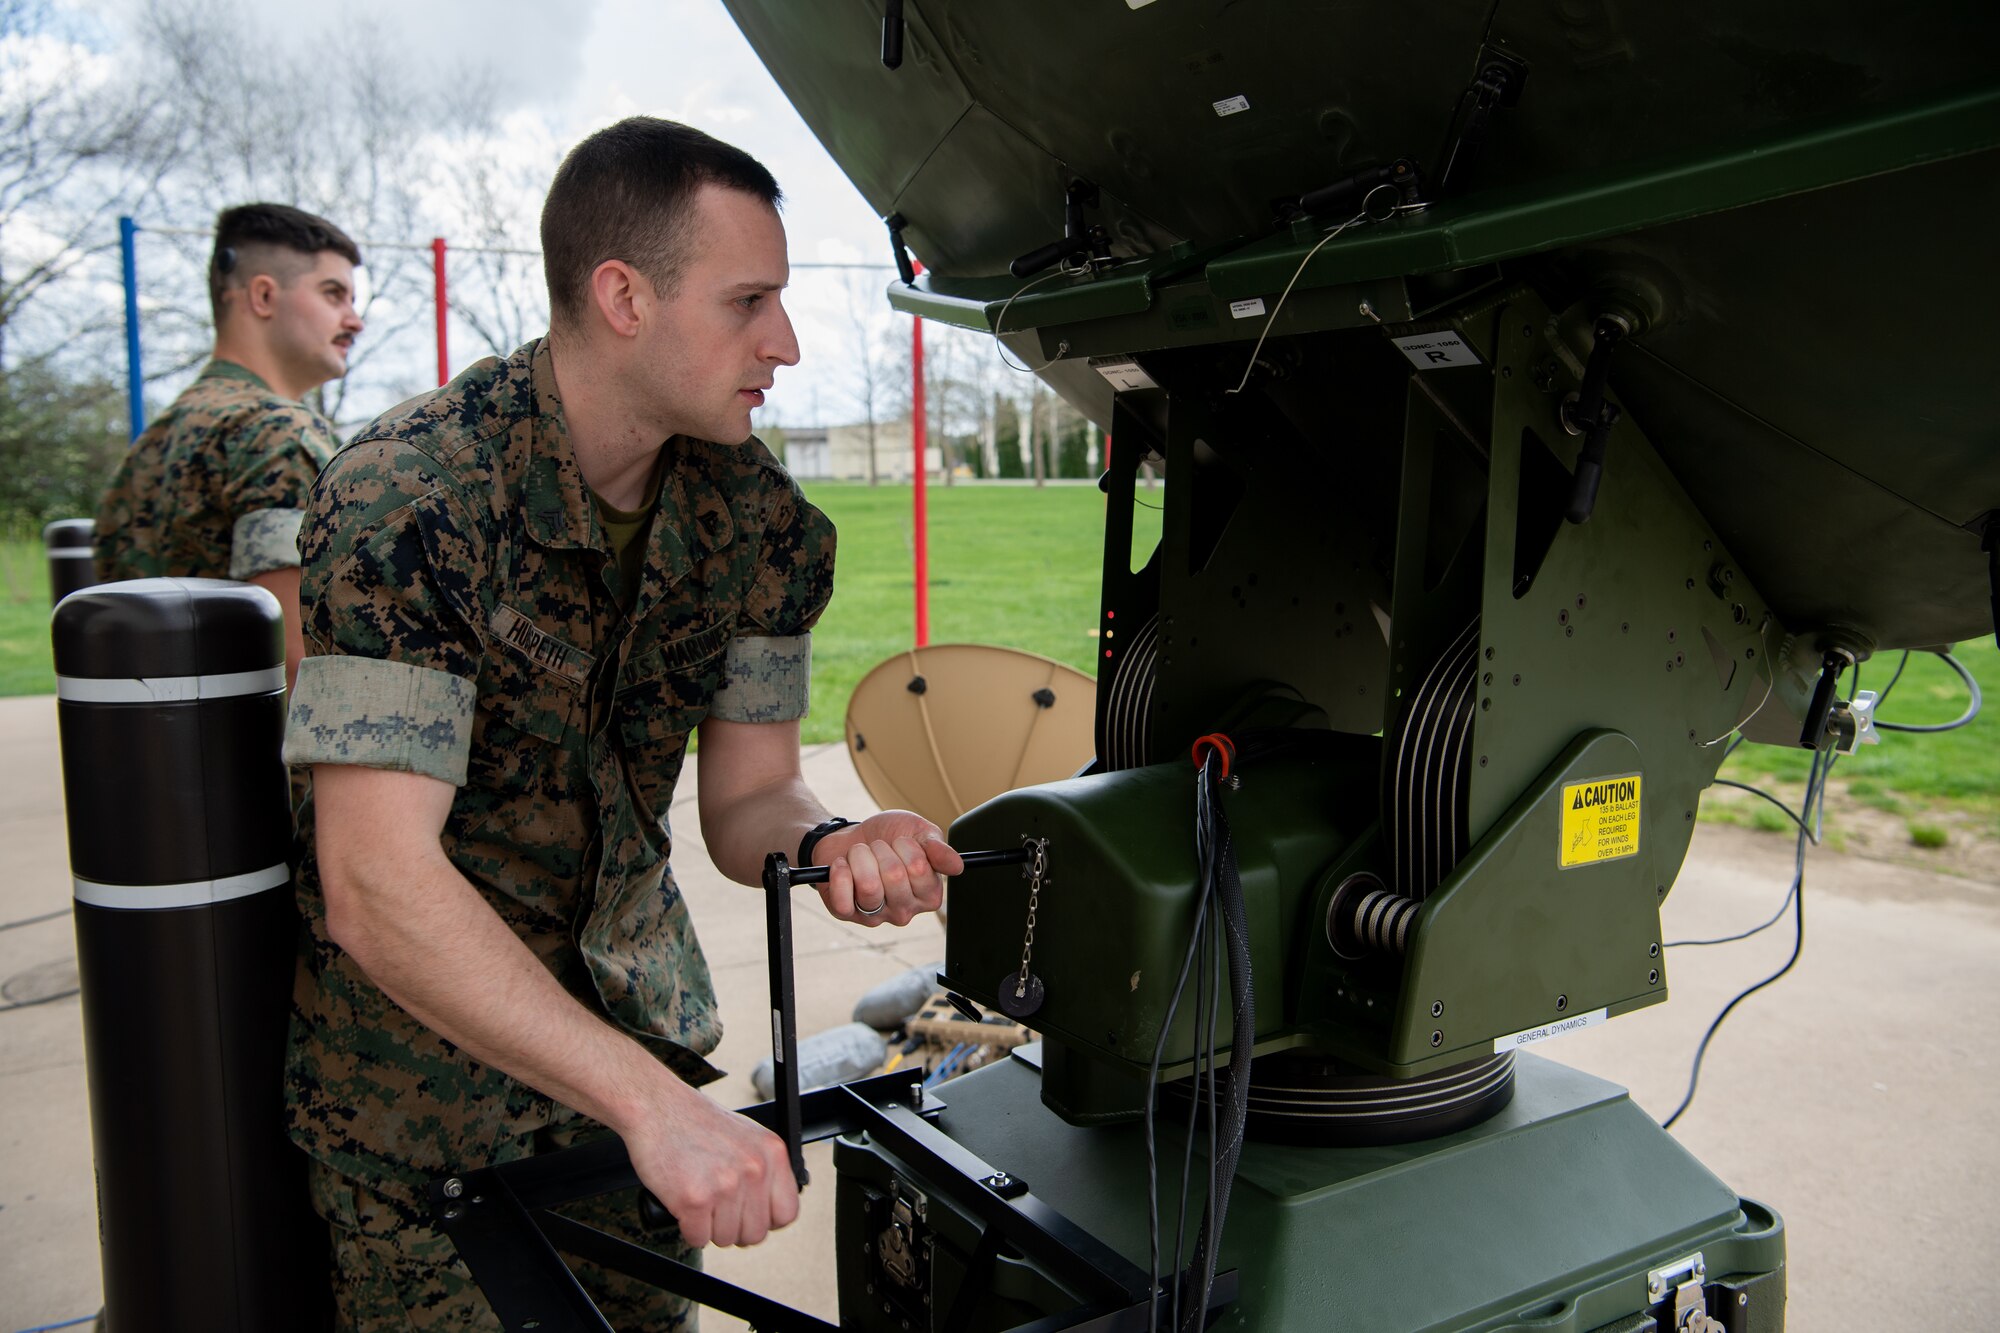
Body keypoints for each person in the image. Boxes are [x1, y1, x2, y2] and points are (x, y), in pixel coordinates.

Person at [281, 116, 961, 1329]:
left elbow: (750, 797)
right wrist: (653, 1104)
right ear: (623, 296)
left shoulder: (761, 523)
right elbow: (375, 879)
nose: (786, 342)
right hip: (423, 1111)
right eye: (748, 300)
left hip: (636, 1082)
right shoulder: (414, 497)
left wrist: (825, 844)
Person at [95, 202, 364, 691]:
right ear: (263, 295)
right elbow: (303, 655)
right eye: (334, 295)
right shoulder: (277, 432)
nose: (355, 320)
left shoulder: (153, 443)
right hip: (260, 760)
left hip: (155, 754)